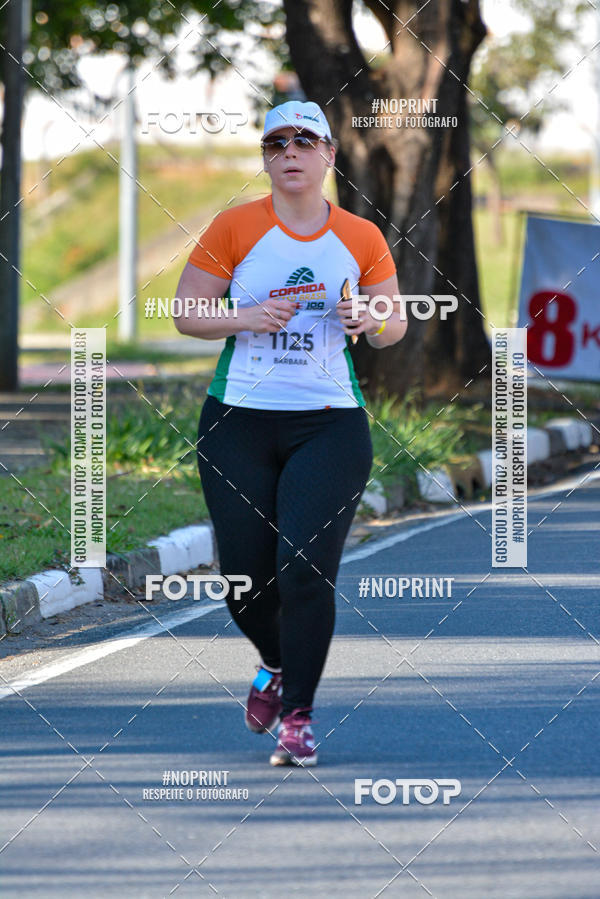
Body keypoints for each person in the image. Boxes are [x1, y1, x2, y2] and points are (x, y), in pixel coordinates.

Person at [174, 100, 407, 767]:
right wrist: (243, 316)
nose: (291, 152)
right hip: (236, 422)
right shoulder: (235, 226)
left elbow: (396, 326)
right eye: (277, 142)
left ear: (330, 155)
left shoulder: (359, 236)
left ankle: (299, 716)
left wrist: (367, 317)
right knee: (245, 581)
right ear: (267, 158)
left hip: (330, 424)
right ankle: (275, 663)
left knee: (304, 567)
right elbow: (188, 314)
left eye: (306, 141)